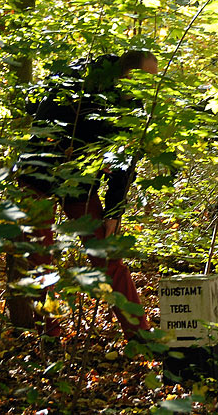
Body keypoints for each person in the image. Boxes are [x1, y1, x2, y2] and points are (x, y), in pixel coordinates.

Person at [12, 50, 158, 339]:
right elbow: (36, 110)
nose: (148, 85)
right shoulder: (74, 77)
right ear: (126, 72)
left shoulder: (132, 103)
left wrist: (114, 211)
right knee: (40, 257)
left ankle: (139, 334)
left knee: (105, 254)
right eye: (144, 78)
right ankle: (49, 334)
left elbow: (125, 161)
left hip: (81, 185)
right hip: (38, 173)